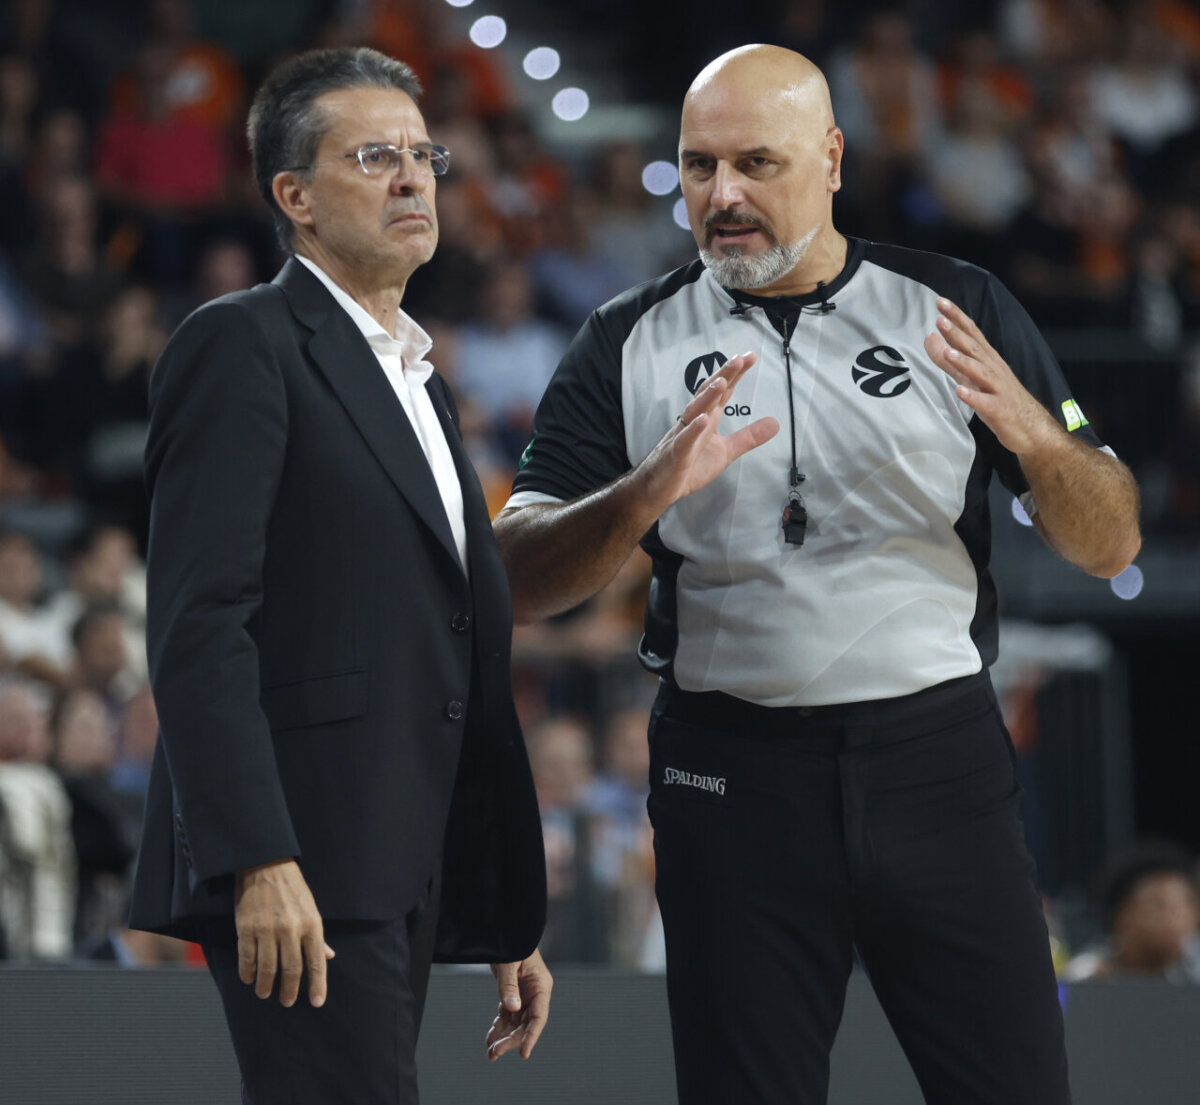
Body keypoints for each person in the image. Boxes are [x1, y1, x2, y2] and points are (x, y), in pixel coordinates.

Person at [494, 44, 1140, 1105]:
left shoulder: (955, 304)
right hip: (730, 779)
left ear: (832, 158)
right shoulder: (627, 338)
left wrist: (1038, 435)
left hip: (939, 768)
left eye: (757, 162)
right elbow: (514, 578)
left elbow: (1111, 542)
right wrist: (642, 495)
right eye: (699, 167)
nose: (724, 195)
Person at [127, 47, 550, 1105]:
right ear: (296, 197)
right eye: (376, 156)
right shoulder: (241, 344)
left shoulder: (419, 379)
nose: (414, 177)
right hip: (303, 867)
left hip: (401, 864)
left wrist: (491, 898)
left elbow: (450, 641)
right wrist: (258, 858)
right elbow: (198, 623)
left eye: (423, 153)